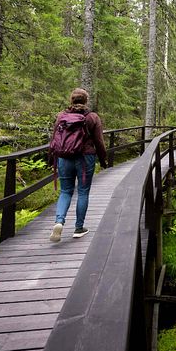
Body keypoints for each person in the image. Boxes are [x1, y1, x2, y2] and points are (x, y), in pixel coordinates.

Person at [49, 88, 108, 242]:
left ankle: (59, 222)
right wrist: (103, 160)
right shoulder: (92, 117)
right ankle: (78, 227)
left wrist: (51, 159)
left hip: (64, 158)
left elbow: (54, 139)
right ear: (86, 100)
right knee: (82, 192)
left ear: (71, 100)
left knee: (65, 191)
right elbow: (99, 142)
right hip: (84, 158)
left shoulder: (61, 116)